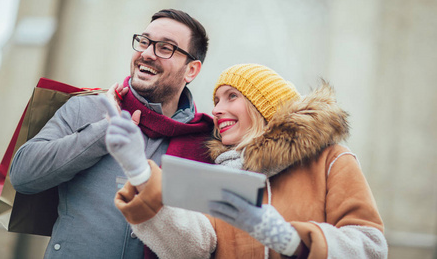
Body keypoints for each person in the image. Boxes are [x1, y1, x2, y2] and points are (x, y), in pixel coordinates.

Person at [106, 63, 388, 259]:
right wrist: (140, 171)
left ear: (264, 107)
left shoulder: (331, 161)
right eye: (216, 100)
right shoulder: (218, 172)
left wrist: (290, 240)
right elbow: (193, 249)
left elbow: (370, 247)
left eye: (232, 97)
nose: (217, 109)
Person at [9, 9, 215, 259]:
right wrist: (103, 132)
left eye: (165, 48)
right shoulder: (86, 109)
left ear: (191, 70)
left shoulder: (204, 142)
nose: (147, 53)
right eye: (144, 41)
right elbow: (22, 175)